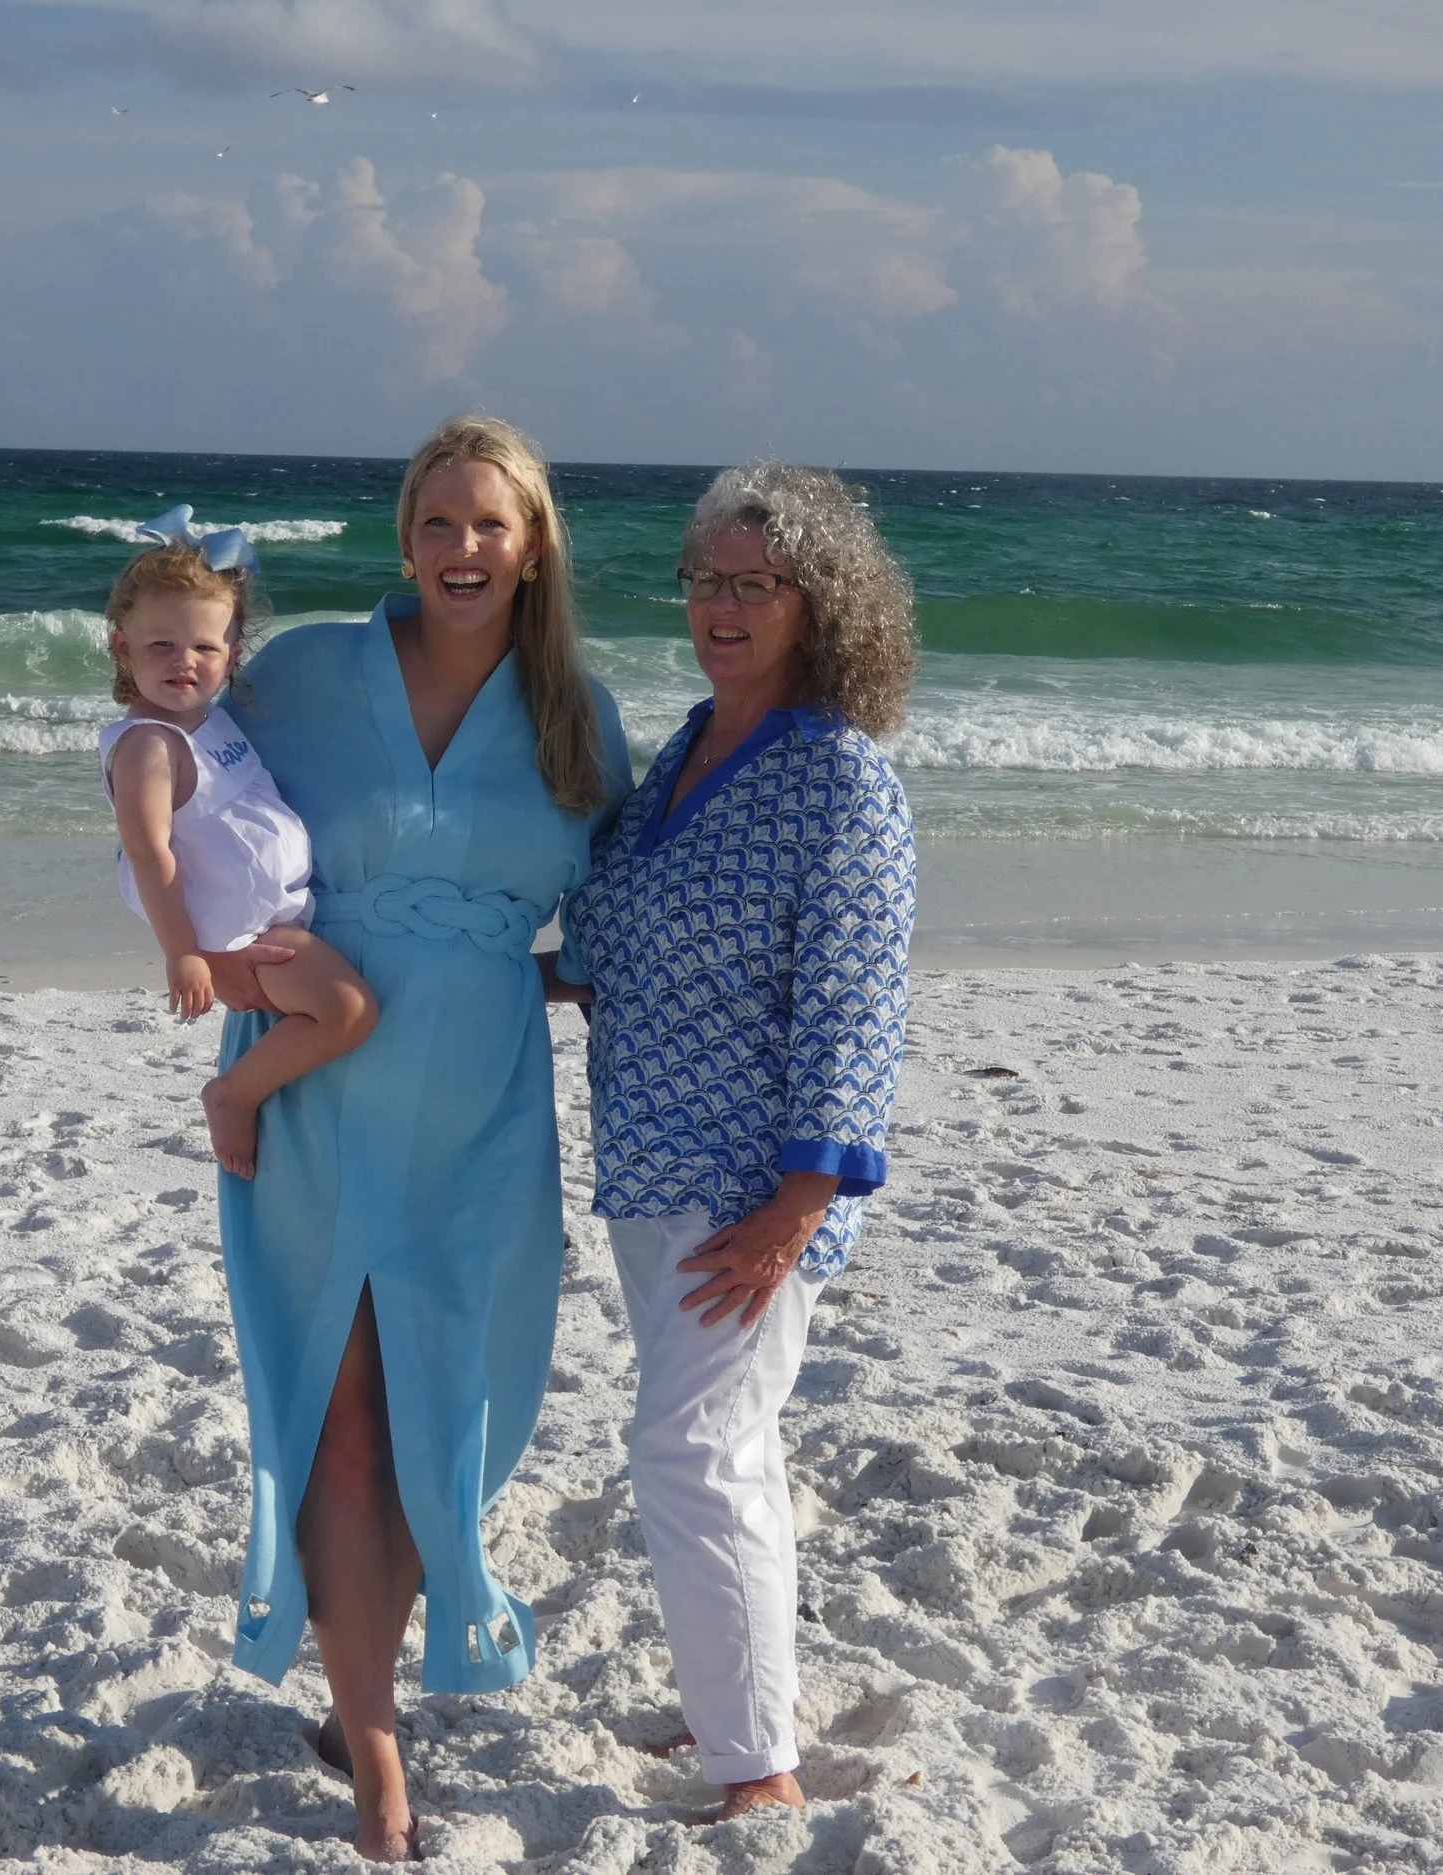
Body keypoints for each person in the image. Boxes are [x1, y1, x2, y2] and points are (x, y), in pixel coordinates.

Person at [201, 417, 629, 1861]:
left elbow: (620, 918)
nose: (461, 548)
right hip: (316, 1087)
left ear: (533, 545)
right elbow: (170, 771)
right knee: (334, 1423)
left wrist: (518, 969)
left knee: (437, 1418)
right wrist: (207, 955)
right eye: (436, 522)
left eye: (488, 523)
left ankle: (357, 1697)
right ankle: (380, 1771)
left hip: (480, 1111)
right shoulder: (301, 674)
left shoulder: (578, 717)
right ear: (403, 538)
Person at [560, 461, 918, 1822]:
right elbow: (613, 946)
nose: (721, 605)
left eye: (755, 583)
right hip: (649, 1170)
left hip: (753, 1192)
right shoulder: (685, 751)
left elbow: (857, 1006)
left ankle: (759, 1772)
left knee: (687, 1453)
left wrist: (799, 1204)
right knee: (730, 1452)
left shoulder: (842, 780)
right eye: (704, 579)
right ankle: (740, 1707)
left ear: (820, 604)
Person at [100, 508, 378, 1178]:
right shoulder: (148, 746)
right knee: (350, 1011)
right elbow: (149, 855)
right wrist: (187, 954)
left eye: (206, 647)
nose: (184, 661)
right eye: (161, 645)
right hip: (240, 936)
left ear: (233, 654)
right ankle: (234, 1093)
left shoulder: (206, 719)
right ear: (121, 647)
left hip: (269, 919)